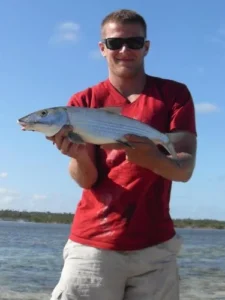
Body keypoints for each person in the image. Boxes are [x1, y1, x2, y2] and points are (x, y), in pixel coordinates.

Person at [48, 9, 197, 300]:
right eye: (115, 43)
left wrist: (151, 159)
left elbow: (184, 169)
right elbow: (87, 180)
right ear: (102, 49)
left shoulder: (174, 95)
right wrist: (78, 157)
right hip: (92, 246)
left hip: (155, 247)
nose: (125, 50)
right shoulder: (82, 103)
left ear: (147, 46)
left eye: (135, 42)